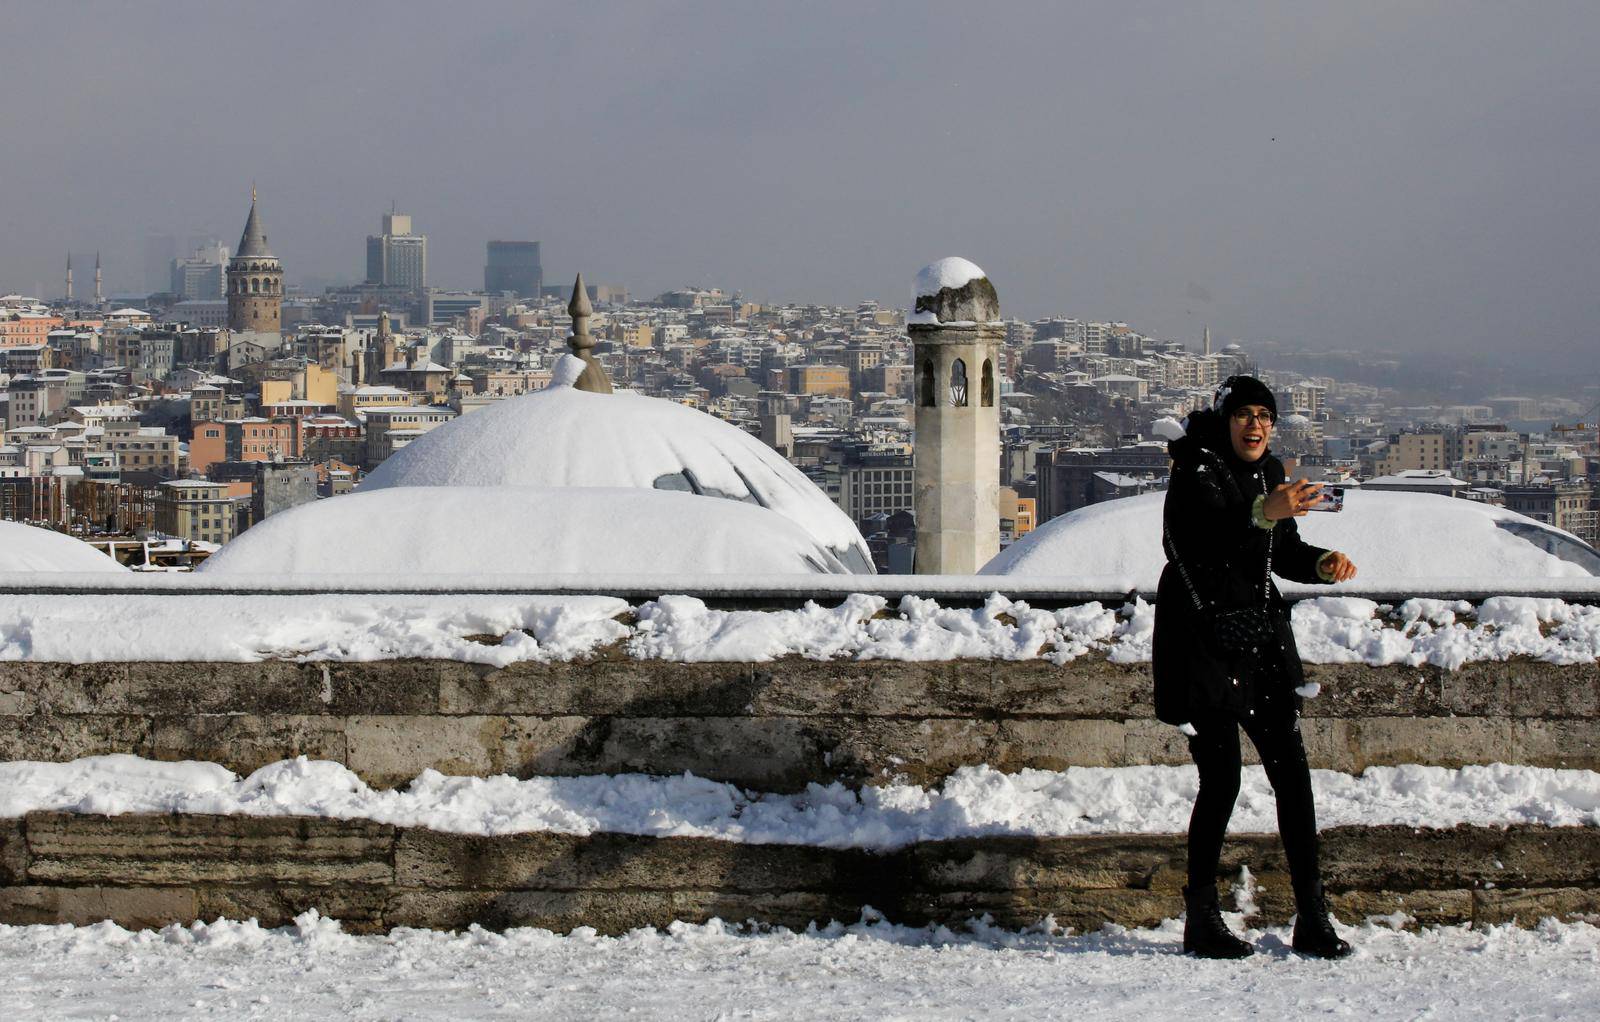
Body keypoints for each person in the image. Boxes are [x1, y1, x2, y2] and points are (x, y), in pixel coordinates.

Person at [1153, 375, 1358, 960]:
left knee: (1292, 775)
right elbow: (1198, 542)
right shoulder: (1196, 470)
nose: (1256, 426)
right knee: (1222, 781)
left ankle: (1312, 916)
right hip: (1203, 646)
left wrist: (1321, 563)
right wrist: (1262, 513)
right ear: (1226, 420)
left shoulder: (1268, 473)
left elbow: (1278, 550)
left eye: (1265, 416)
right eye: (1244, 414)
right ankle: (1201, 917)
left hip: (1257, 641)